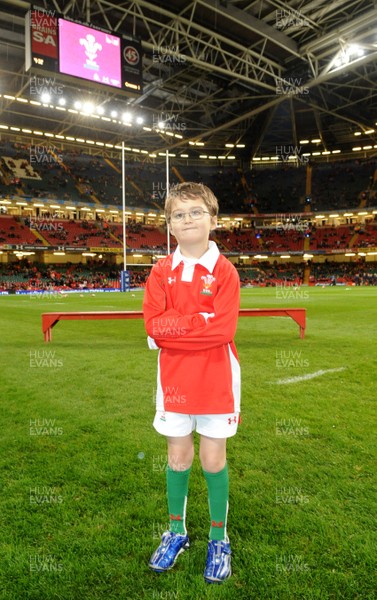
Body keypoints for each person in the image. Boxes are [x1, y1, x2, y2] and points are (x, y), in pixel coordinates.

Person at [142, 182, 241, 584]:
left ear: (213, 219)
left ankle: (220, 538)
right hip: (173, 383)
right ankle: (177, 532)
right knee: (178, 457)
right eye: (178, 215)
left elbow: (223, 330)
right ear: (169, 225)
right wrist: (196, 321)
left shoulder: (225, 271)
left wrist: (177, 327)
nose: (187, 219)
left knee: (212, 460)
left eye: (196, 212)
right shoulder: (160, 271)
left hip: (217, 379)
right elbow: (152, 327)